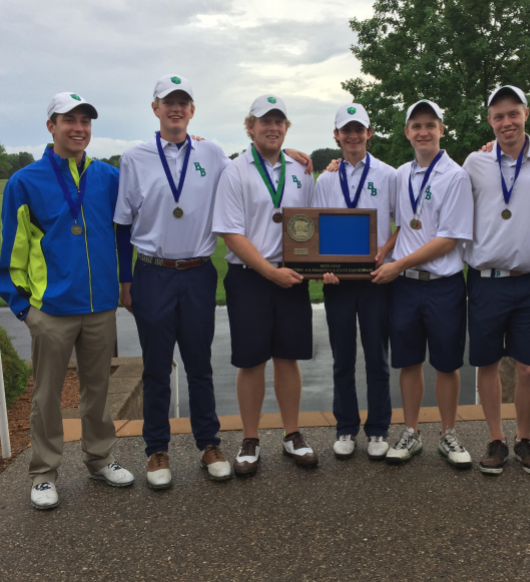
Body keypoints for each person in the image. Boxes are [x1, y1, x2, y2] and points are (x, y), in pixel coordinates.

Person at [0, 92, 135, 510]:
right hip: (51, 310)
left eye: (85, 121)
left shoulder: (108, 177)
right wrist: (24, 309)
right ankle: (43, 473)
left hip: (99, 307)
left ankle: (99, 458)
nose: (78, 127)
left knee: (98, 390)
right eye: (68, 119)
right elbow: (10, 255)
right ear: (51, 126)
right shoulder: (25, 182)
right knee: (46, 395)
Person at [114, 74, 234, 489]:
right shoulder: (135, 157)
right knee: (156, 368)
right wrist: (126, 282)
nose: (176, 108)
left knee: (199, 365)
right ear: (155, 109)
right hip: (153, 273)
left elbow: (248, 176)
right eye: (168, 102)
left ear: (192, 110)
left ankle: (209, 445)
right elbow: (123, 225)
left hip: (199, 273)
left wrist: (289, 154)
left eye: (183, 102)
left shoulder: (213, 152)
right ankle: (157, 450)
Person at [212, 95, 317, 476]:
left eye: (279, 121)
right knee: (251, 359)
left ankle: (292, 434)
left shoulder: (302, 170)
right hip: (250, 277)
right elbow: (231, 234)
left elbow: (312, 224)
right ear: (250, 126)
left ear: (286, 127)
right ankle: (251, 438)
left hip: (292, 273)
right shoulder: (235, 171)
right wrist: (269, 272)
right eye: (264, 121)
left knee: (287, 357)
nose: (272, 127)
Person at [463, 86, 530, 476]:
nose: (507, 122)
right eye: (498, 116)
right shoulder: (475, 161)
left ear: (527, 114)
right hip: (486, 281)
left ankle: (524, 438)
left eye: (513, 114)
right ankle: (496, 439)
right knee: (487, 364)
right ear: (489, 121)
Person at [371, 99, 474, 467]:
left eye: (430, 124)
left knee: (447, 364)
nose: (423, 131)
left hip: (443, 283)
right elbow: (402, 227)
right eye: (416, 126)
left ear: (442, 130)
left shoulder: (456, 176)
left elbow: (449, 239)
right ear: (407, 133)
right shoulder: (400, 175)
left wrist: (397, 265)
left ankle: (448, 434)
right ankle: (411, 432)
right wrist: (386, 254)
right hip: (407, 287)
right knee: (409, 362)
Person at [312, 103, 399, 461]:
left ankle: (378, 429)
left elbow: (401, 225)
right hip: (338, 283)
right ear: (336, 135)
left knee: (378, 357)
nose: (352, 135)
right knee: (342, 358)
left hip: (377, 278)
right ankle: (345, 426)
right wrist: (322, 269)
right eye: (345, 130)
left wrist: (385, 252)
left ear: (369, 132)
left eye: (358, 129)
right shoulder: (326, 179)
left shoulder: (388, 175)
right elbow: (317, 229)